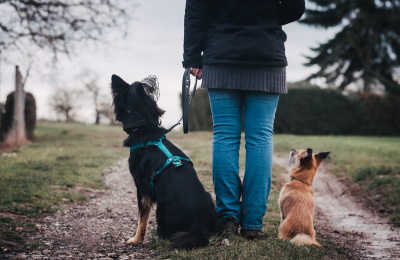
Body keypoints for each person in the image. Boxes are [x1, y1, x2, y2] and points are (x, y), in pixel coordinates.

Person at [183, 0, 305, 239]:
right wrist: (265, 17)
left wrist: (192, 58)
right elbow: (295, 7)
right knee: (260, 138)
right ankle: (252, 223)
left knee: (225, 137)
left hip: (221, 53)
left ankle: (228, 217)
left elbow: (195, 12)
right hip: (266, 54)